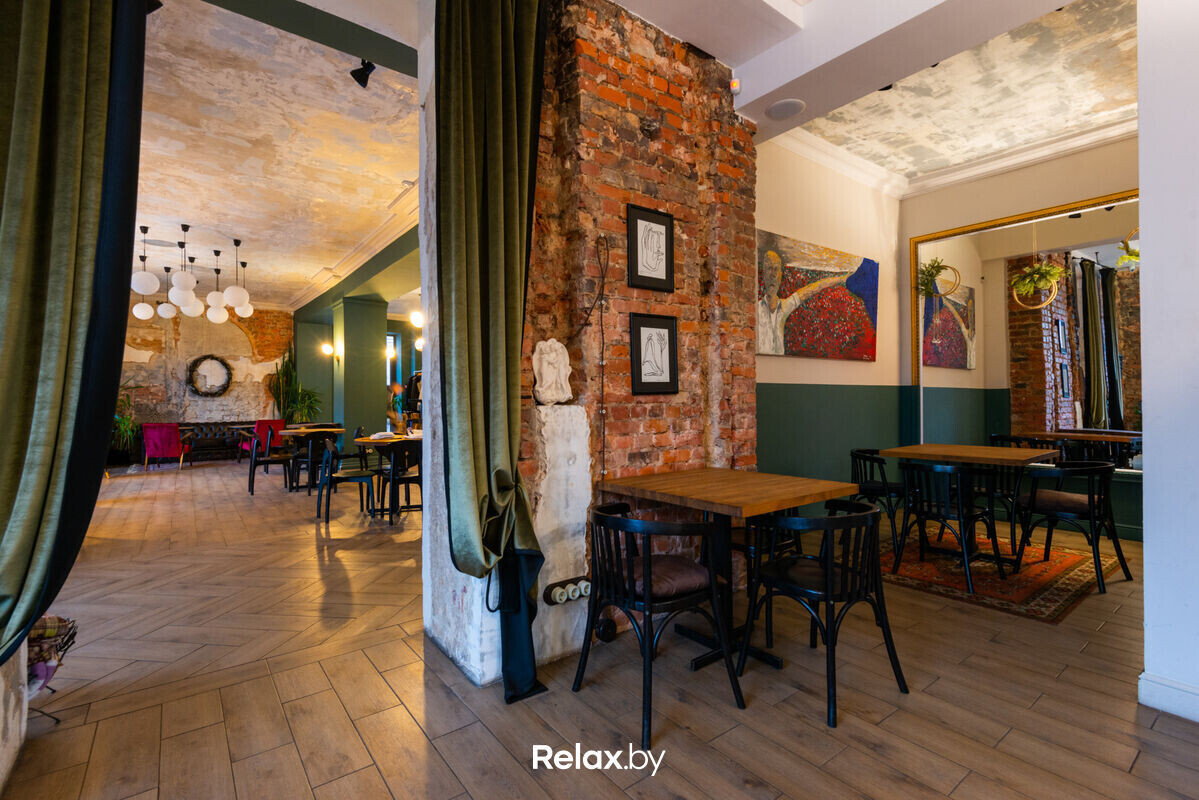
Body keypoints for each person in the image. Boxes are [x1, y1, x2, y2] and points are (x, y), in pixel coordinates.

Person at [757, 249, 803, 354]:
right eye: (769, 269)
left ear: (780, 275)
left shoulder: (784, 306)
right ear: (764, 273)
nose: (772, 274)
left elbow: (806, 292)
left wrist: (838, 279)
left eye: (775, 269)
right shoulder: (756, 309)